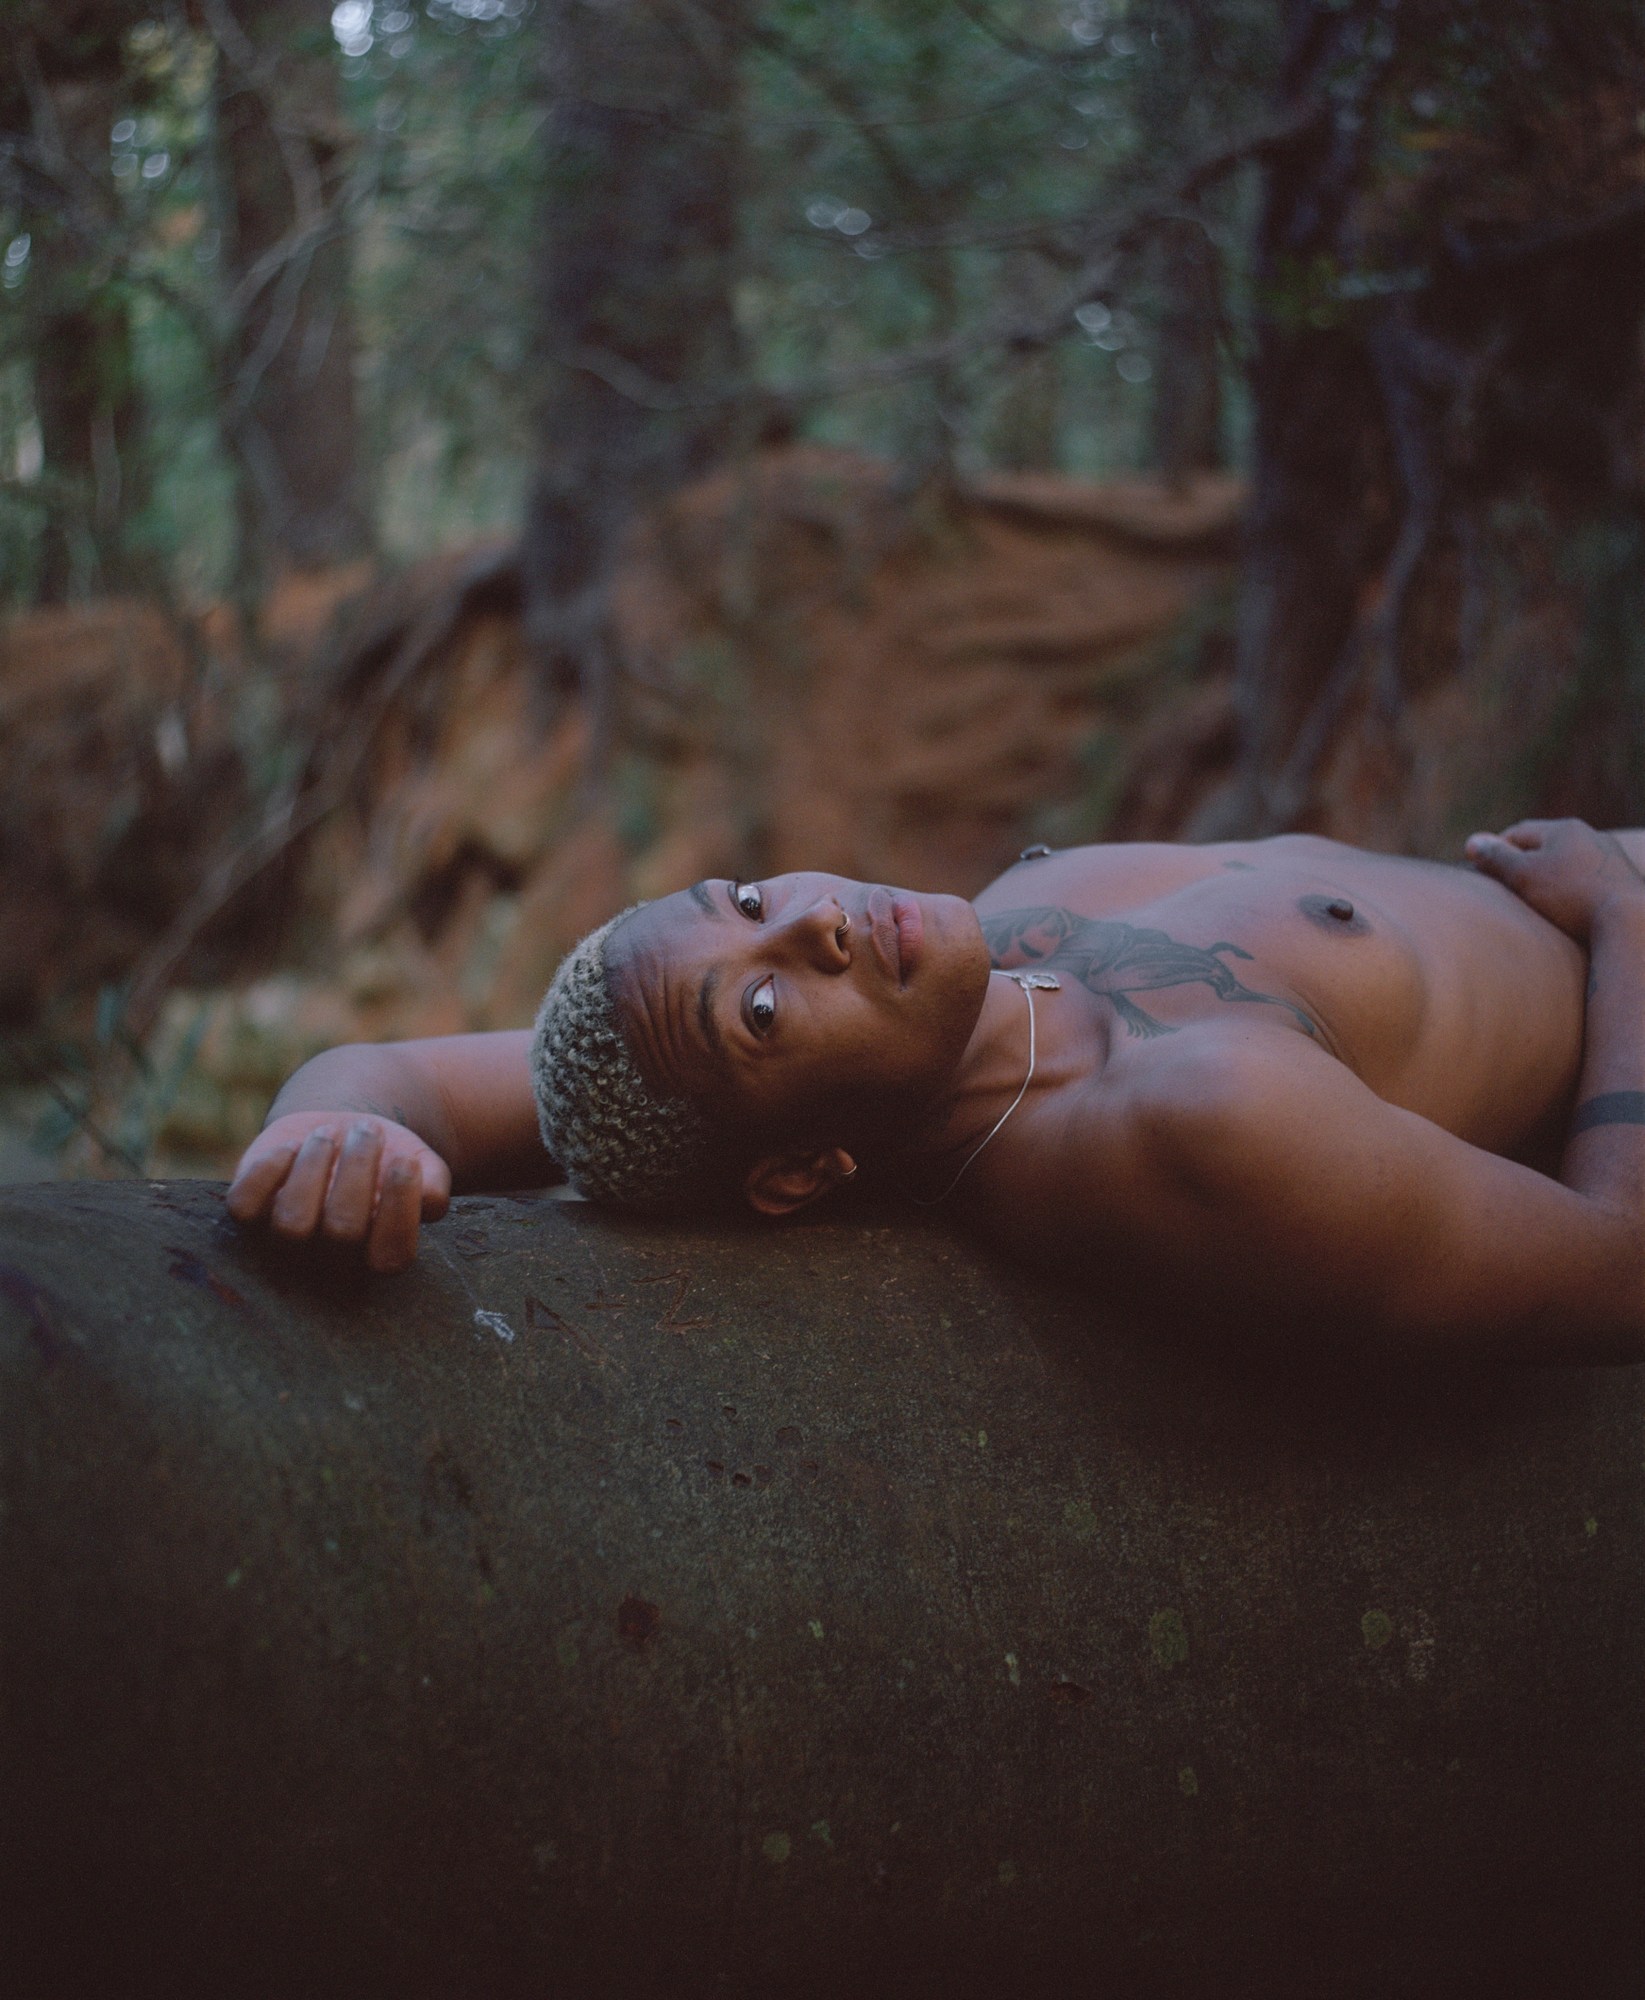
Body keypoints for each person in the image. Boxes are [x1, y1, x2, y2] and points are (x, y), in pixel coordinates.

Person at [227, 819, 1645, 1362]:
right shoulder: (1202, 1120)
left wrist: (325, 1127)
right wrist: (1624, 915)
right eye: (767, 1007)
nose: (815, 921)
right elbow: (1613, 1266)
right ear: (799, 1174)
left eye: (746, 898)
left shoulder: (943, 993)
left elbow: (411, 1076)